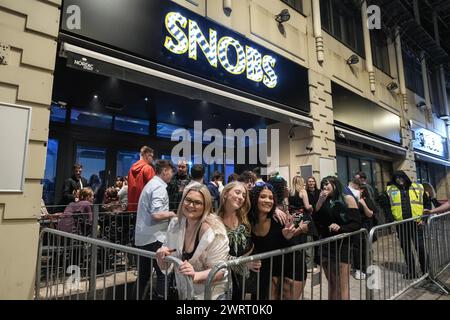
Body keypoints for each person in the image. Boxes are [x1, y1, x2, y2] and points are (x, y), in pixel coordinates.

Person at [156, 184, 229, 300]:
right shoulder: (175, 224)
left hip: (212, 295)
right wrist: (163, 256)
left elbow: (220, 271)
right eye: (188, 200)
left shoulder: (216, 231)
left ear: (206, 206)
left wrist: (195, 275)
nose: (191, 205)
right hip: (185, 293)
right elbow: (167, 264)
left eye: (197, 202)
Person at [249, 183, 308, 300]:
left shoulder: (278, 218)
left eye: (271, 198)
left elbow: (291, 244)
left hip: (292, 264)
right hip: (270, 266)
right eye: (263, 197)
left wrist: (288, 236)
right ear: (254, 199)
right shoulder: (247, 220)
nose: (268, 201)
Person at [135, 160, 177, 299]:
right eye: (171, 172)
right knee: (163, 274)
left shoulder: (151, 185)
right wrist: (172, 214)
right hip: (155, 238)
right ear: (165, 170)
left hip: (144, 237)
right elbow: (156, 214)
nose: (171, 176)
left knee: (143, 276)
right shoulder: (159, 187)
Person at [315, 176, 361, 300]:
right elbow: (317, 220)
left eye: (327, 184)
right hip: (326, 243)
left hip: (342, 245)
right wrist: (319, 201)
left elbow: (356, 223)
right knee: (332, 283)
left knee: (342, 285)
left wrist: (340, 227)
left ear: (335, 184)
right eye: (323, 185)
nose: (324, 187)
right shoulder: (323, 200)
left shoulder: (347, 199)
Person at [216, 181, 260, 300]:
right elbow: (217, 254)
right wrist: (242, 264)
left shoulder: (246, 216)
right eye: (237, 192)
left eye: (244, 195)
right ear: (225, 194)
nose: (241, 197)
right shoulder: (214, 221)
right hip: (225, 276)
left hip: (248, 275)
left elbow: (265, 208)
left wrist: (276, 210)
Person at [385, 171, 427, 279]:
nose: (399, 180)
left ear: (405, 177)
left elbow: (427, 204)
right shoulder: (390, 189)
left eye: (401, 178)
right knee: (406, 249)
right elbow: (387, 207)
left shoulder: (418, 187)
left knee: (420, 248)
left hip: (416, 223)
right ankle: (412, 272)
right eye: (397, 178)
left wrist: (424, 219)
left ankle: (426, 271)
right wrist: (391, 220)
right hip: (401, 225)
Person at [353, 184, 376, 280]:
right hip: (355, 228)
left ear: (362, 190)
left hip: (365, 227)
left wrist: (363, 203)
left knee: (365, 249)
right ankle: (358, 269)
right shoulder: (352, 200)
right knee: (356, 249)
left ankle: (365, 268)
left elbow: (370, 214)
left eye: (357, 188)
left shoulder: (367, 200)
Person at [127, 146, 155, 212]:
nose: (152, 159)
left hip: (132, 206)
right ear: (146, 155)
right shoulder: (148, 168)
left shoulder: (131, 169)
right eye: (151, 156)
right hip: (144, 207)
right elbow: (154, 187)